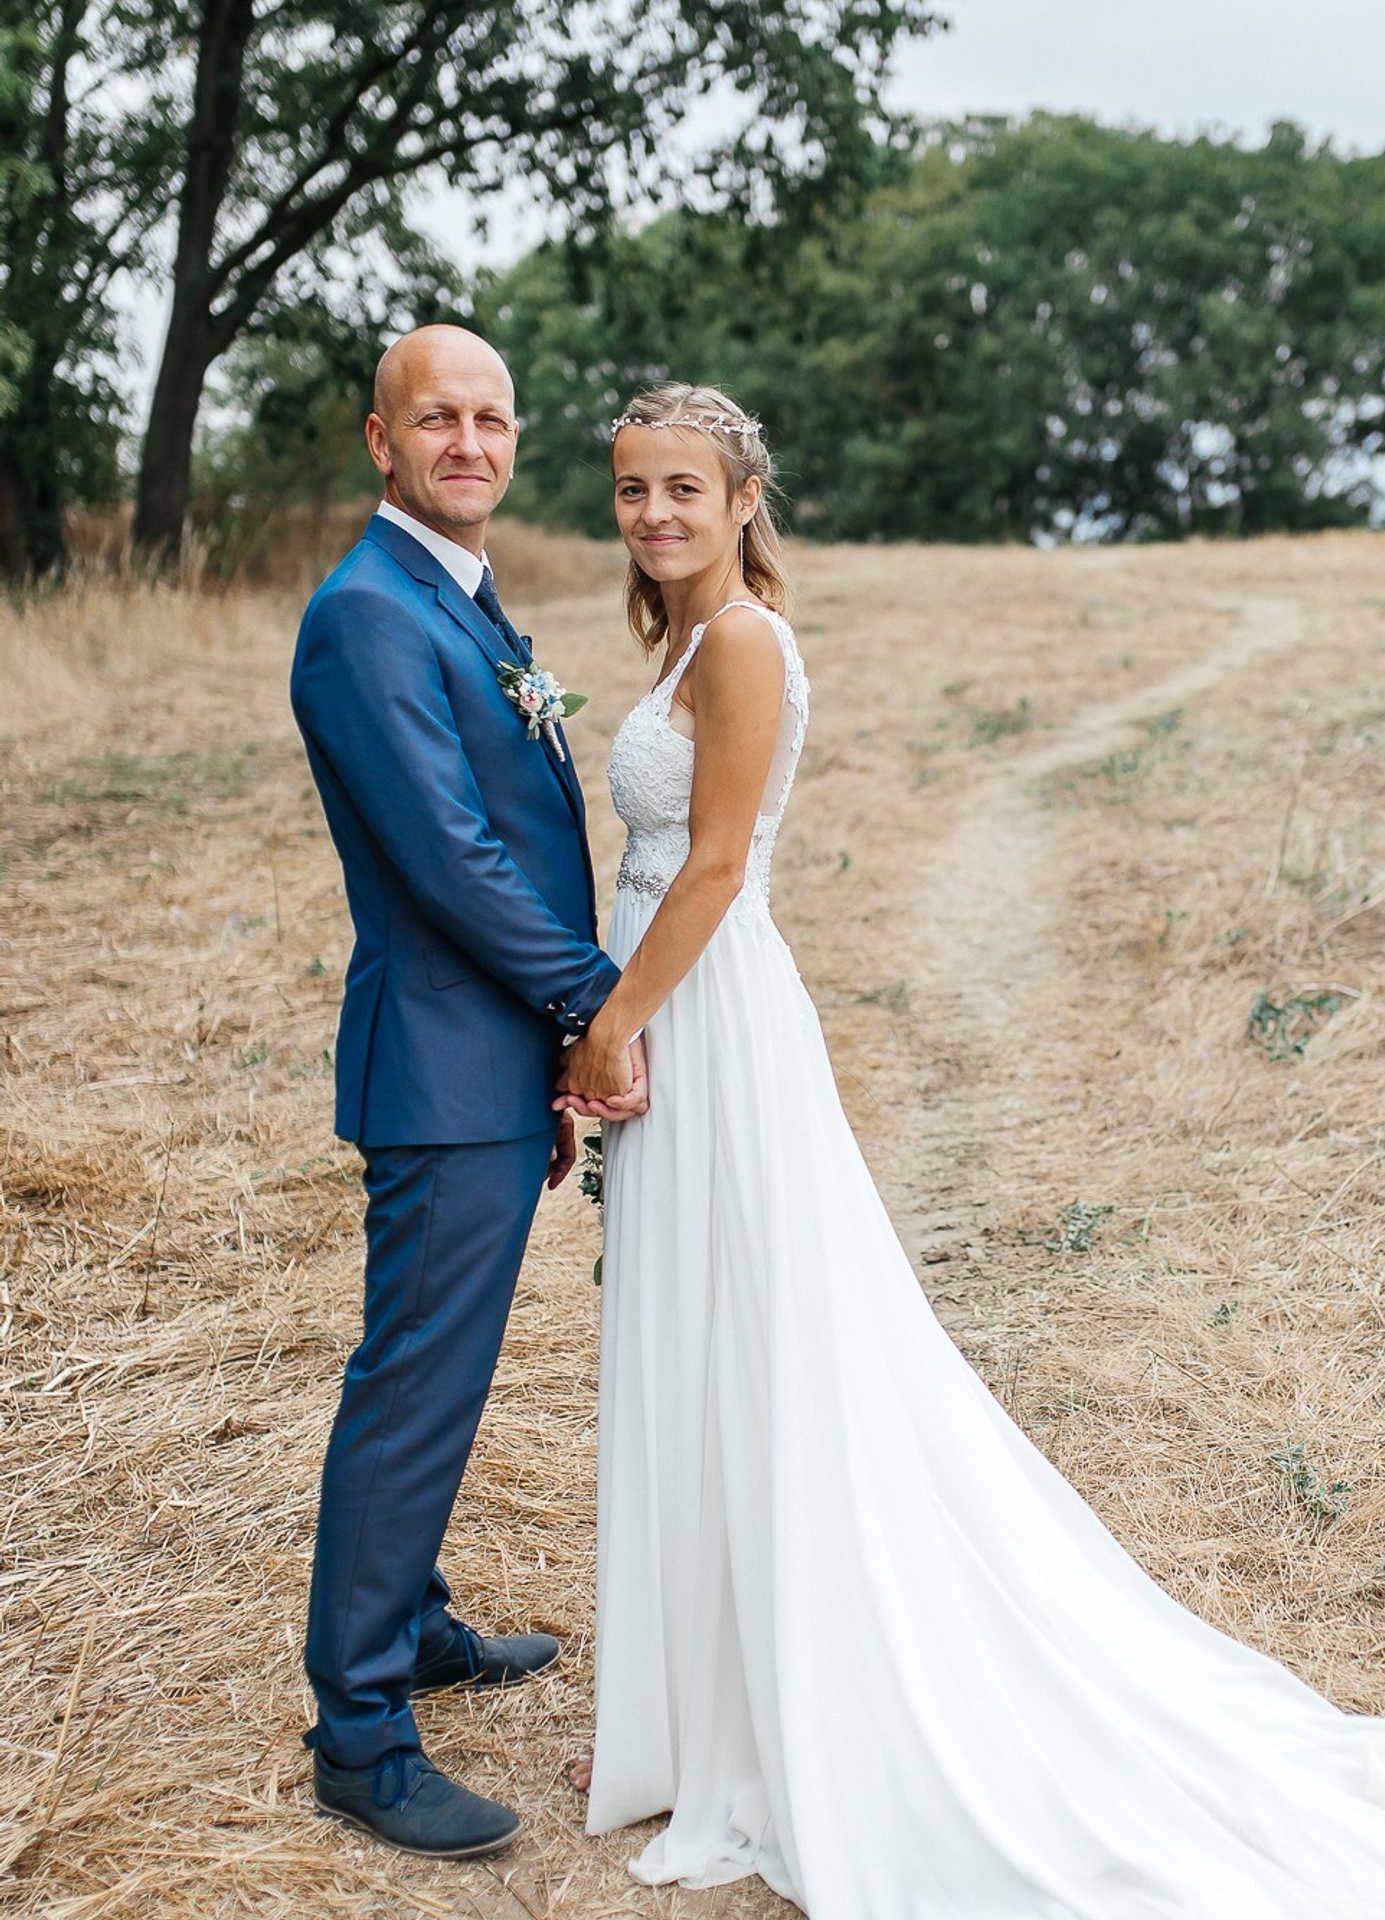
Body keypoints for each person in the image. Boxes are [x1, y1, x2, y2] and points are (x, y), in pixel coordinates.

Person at [558, 381, 1385, 1919]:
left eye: (684, 489)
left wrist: (612, 1024)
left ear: (744, 496)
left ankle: (765, 1721)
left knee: (753, 1349)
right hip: (677, 1010)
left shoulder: (749, 642)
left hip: (698, 1009)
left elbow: (709, 864)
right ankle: (700, 1715)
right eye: (634, 490)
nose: (655, 515)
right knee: (702, 1347)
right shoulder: (691, 637)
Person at [289, 325, 644, 1858]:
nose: (470, 442)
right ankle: (361, 1730)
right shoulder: (368, 617)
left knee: (439, 1373)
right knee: (412, 1382)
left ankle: (415, 1619)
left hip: (483, 1059)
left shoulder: (456, 594)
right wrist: (587, 1006)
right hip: (445, 1059)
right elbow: (449, 859)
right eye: (438, 418)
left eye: (493, 419)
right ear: (381, 441)